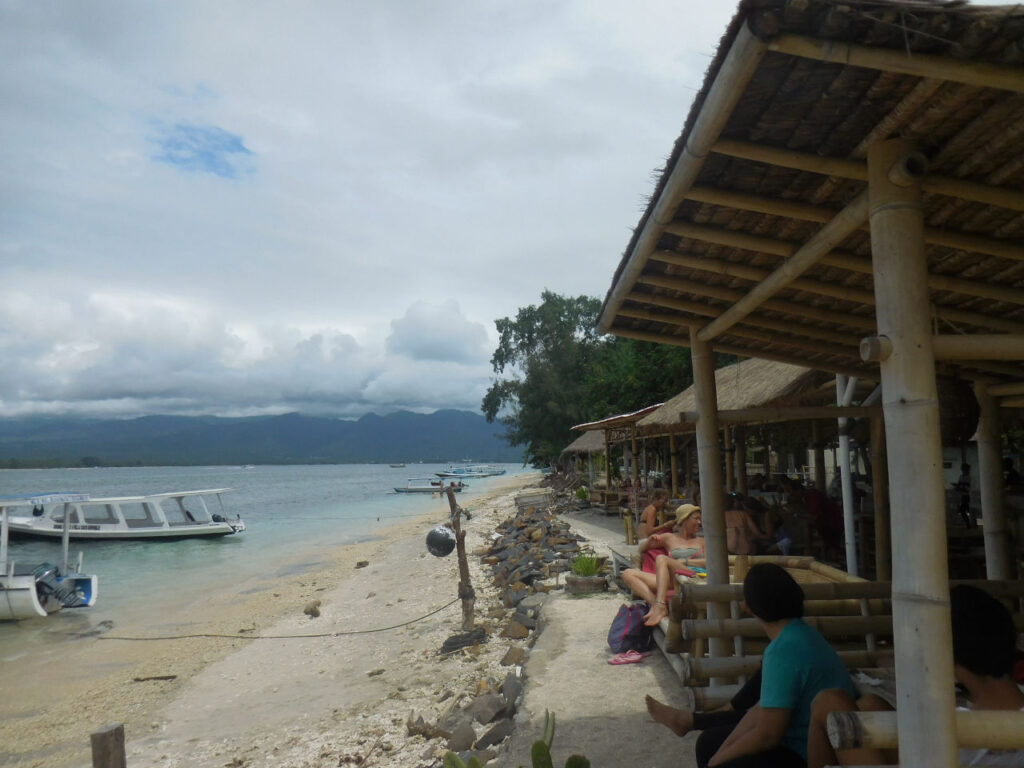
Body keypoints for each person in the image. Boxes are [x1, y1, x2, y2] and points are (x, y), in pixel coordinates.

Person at [807, 584, 1024, 768]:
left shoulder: (953, 729)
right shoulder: (998, 715)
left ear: (947, 660)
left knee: (829, 703)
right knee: (869, 705)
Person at [677, 563, 855, 767]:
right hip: (801, 739)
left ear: (749, 608)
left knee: (725, 761)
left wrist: (719, 760)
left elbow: (769, 735)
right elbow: (762, 709)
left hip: (810, 751)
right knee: (710, 743)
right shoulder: (801, 634)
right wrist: (722, 752)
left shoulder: (783, 649)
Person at [620, 504, 702, 621]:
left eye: (700, 519)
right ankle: (657, 605)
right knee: (627, 573)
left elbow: (710, 562)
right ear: (684, 519)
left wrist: (686, 561)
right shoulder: (669, 537)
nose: (699, 522)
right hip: (671, 579)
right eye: (696, 518)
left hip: (692, 576)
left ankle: (660, 603)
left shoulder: (701, 541)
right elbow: (641, 549)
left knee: (662, 558)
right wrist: (649, 541)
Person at [955, 463, 973, 527]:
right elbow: (959, 485)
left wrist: (960, 487)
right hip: (962, 496)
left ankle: (968, 524)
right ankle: (969, 524)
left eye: (965, 469)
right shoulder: (961, 476)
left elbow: (967, 488)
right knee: (964, 510)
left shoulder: (969, 477)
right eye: (962, 469)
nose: (963, 470)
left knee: (963, 510)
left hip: (967, 496)